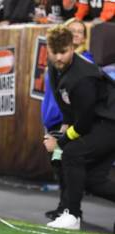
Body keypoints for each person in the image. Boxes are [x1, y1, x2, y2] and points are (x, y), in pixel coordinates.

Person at [42, 25, 115, 230]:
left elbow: (83, 123)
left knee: (72, 153)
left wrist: (60, 142)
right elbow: (66, 104)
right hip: (98, 120)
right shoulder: (54, 65)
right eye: (54, 52)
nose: (58, 57)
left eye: (63, 52)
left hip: (110, 122)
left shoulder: (83, 77)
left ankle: (72, 216)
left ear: (72, 47)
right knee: (93, 180)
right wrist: (63, 129)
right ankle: (69, 212)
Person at [41, 19, 94, 221]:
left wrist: (66, 124)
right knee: (58, 165)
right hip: (53, 121)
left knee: (67, 164)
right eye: (72, 31)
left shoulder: (84, 64)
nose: (76, 34)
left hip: (68, 123)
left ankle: (70, 209)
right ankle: (64, 206)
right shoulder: (55, 63)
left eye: (80, 32)